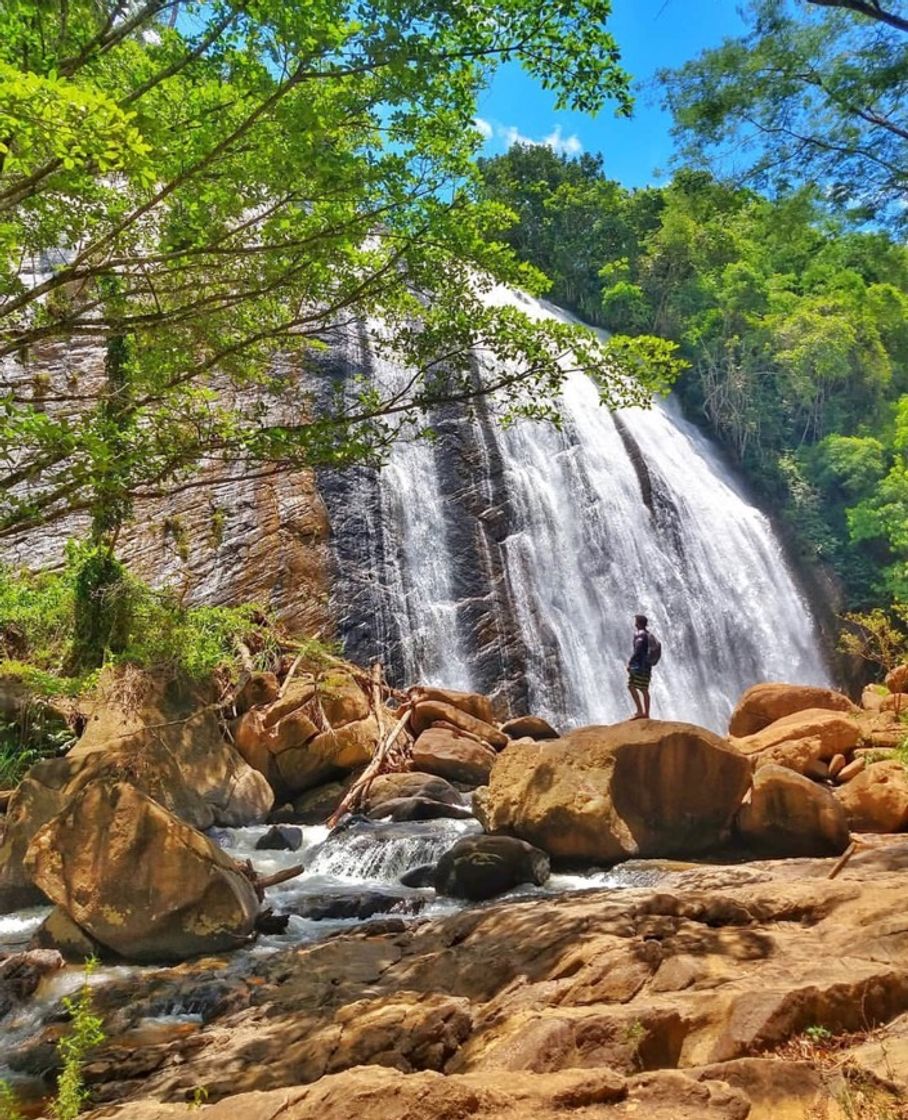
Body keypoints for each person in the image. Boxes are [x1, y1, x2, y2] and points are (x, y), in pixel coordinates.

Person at [627, 613, 652, 720]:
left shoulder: (639, 634)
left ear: (639, 623)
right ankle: (646, 713)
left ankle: (639, 711)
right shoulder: (648, 634)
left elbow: (638, 649)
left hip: (639, 667)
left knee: (631, 686)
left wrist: (630, 663)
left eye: (636, 621)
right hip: (647, 666)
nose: (635, 623)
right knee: (644, 689)